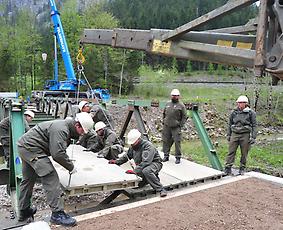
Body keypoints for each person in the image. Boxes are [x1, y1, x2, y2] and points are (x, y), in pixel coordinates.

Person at [17, 112, 94, 226]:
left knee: (28, 179)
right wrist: (70, 167)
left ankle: (24, 210)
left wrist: (66, 160)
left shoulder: (63, 126)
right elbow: (57, 154)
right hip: (33, 149)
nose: (83, 134)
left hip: (25, 147)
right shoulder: (62, 129)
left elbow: (58, 149)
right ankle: (57, 214)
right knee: (50, 177)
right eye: (83, 131)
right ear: (77, 125)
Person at [109, 129, 167, 197]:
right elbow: (126, 156)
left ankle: (161, 189)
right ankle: (151, 179)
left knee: (147, 171)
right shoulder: (133, 147)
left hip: (155, 163)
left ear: (138, 139)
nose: (132, 144)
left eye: (133, 142)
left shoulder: (148, 146)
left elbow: (146, 162)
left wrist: (135, 171)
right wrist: (116, 161)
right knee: (138, 185)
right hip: (143, 166)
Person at [224, 95, 257, 175]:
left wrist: (253, 137)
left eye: (242, 103)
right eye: (239, 103)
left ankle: (242, 168)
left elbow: (254, 125)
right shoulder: (234, 112)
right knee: (231, 151)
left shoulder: (251, 113)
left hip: (245, 134)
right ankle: (228, 168)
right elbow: (230, 124)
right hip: (235, 134)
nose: (240, 104)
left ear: (246, 103)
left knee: (244, 153)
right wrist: (229, 135)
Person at [162, 89, 187, 164]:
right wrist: (164, 121)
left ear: (178, 96)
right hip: (167, 126)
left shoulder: (181, 105)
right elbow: (164, 113)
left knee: (177, 142)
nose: (174, 97)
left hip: (176, 127)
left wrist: (180, 125)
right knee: (165, 140)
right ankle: (166, 156)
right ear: (171, 96)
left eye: (176, 96)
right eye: (173, 95)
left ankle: (178, 157)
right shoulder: (167, 104)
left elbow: (184, 116)